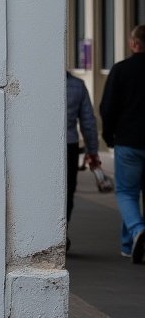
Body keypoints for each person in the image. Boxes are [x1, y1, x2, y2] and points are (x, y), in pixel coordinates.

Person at [99, 24, 145, 264]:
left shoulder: (121, 70)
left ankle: (137, 230)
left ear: (134, 44)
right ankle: (128, 245)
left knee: (127, 192)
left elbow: (108, 106)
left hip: (128, 141)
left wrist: (107, 135)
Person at [66, 71, 101, 252]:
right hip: (69, 145)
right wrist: (92, 151)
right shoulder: (77, 86)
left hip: (43, 146)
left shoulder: (40, 85)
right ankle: (62, 229)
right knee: (68, 190)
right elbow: (88, 121)